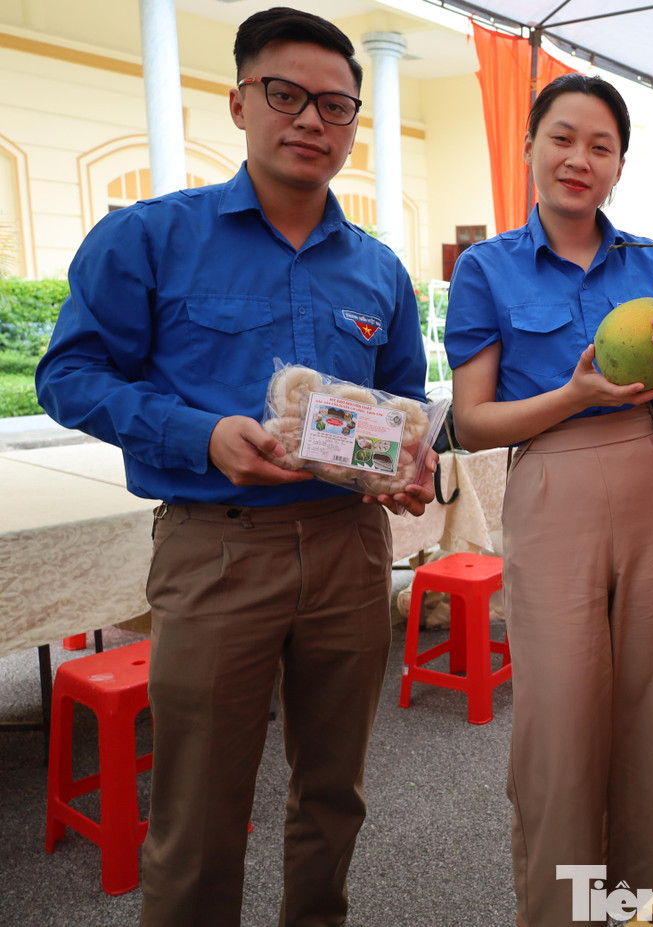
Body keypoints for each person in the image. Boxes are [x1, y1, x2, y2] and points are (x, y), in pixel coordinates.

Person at [34, 9, 433, 924]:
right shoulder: (149, 236)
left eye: (336, 106)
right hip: (216, 551)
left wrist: (409, 466)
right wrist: (197, 434)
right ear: (239, 102)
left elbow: (404, 406)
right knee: (199, 814)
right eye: (285, 96)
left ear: (353, 123)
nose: (311, 122)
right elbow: (69, 376)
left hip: (349, 551)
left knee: (334, 798)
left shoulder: (378, 269)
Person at [444, 73, 653, 927]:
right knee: (560, 724)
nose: (578, 159)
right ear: (528, 147)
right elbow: (475, 422)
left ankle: (633, 906)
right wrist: (574, 393)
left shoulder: (651, 265)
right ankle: (558, 914)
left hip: (652, 483)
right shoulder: (486, 268)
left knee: (644, 711)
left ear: (620, 164)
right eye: (562, 138)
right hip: (551, 479)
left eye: (600, 146)